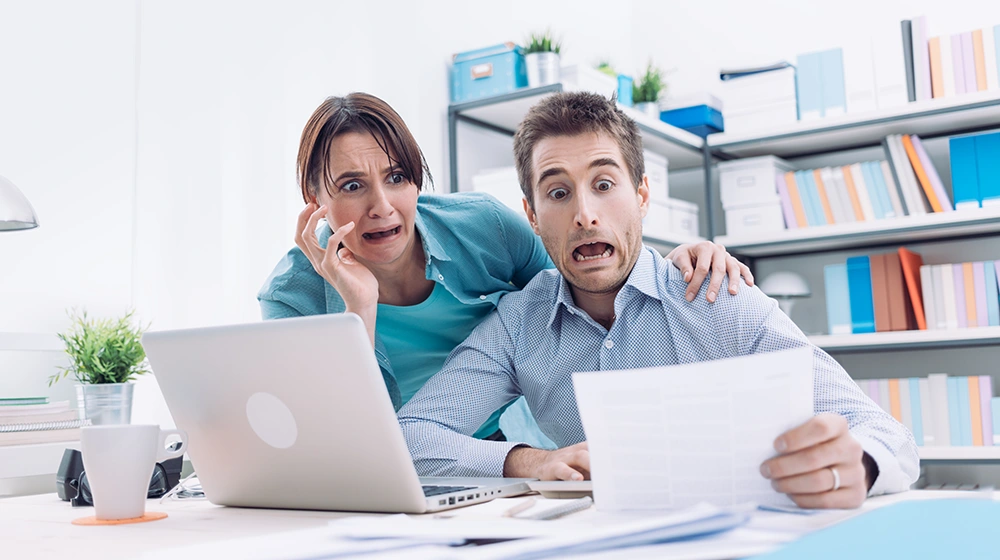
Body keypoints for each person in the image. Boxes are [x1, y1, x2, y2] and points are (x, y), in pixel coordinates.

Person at [397, 91, 919, 509]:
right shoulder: (519, 324)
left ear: (642, 195)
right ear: (532, 216)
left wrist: (860, 465)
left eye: (604, 183)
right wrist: (528, 462)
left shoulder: (717, 295)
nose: (585, 215)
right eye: (558, 193)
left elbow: (888, 436)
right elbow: (412, 437)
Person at [257, 92, 753, 444]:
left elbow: (574, 291)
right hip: (389, 452)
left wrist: (667, 266)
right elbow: (329, 438)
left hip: (502, 442)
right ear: (314, 199)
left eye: (397, 176)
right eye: (350, 185)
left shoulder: (484, 227)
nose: (382, 205)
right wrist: (357, 310)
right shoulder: (291, 294)